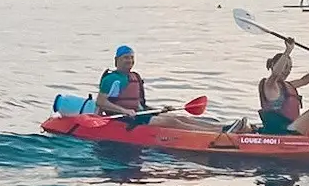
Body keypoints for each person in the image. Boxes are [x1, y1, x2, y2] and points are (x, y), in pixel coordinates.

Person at [96, 46, 232, 132]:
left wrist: (159, 109)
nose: (130, 61)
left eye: (132, 58)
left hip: (138, 114)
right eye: (126, 58)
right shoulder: (112, 79)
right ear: (117, 60)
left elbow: (139, 104)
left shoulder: (135, 76)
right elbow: (101, 102)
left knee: (179, 117)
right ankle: (219, 134)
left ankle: (223, 128)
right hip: (122, 118)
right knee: (172, 122)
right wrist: (123, 111)